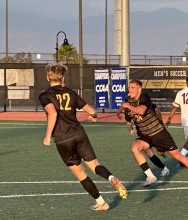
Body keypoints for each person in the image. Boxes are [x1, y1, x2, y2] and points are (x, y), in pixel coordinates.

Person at [39, 63, 127, 211]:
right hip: (79, 133)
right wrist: (94, 116)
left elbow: (53, 113)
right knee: (95, 165)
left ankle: (101, 202)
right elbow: (92, 111)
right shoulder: (71, 92)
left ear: (48, 77)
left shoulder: (45, 95)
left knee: (80, 173)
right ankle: (112, 178)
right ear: (63, 78)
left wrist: (47, 136)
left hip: (63, 138)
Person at [120, 79, 188, 188]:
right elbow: (126, 115)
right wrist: (124, 118)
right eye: (129, 87)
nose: (130, 89)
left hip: (159, 133)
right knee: (135, 148)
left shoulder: (144, 97)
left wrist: (127, 106)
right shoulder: (128, 101)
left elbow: (141, 111)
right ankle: (150, 176)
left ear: (139, 89)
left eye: (133, 87)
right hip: (145, 135)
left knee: (178, 156)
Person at [121, 108, 170, 179]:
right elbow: (128, 122)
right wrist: (131, 129)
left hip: (153, 132)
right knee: (148, 152)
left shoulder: (143, 102)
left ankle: (162, 159)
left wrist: (160, 122)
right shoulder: (128, 109)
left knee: (159, 152)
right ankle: (159, 171)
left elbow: (157, 109)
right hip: (143, 135)